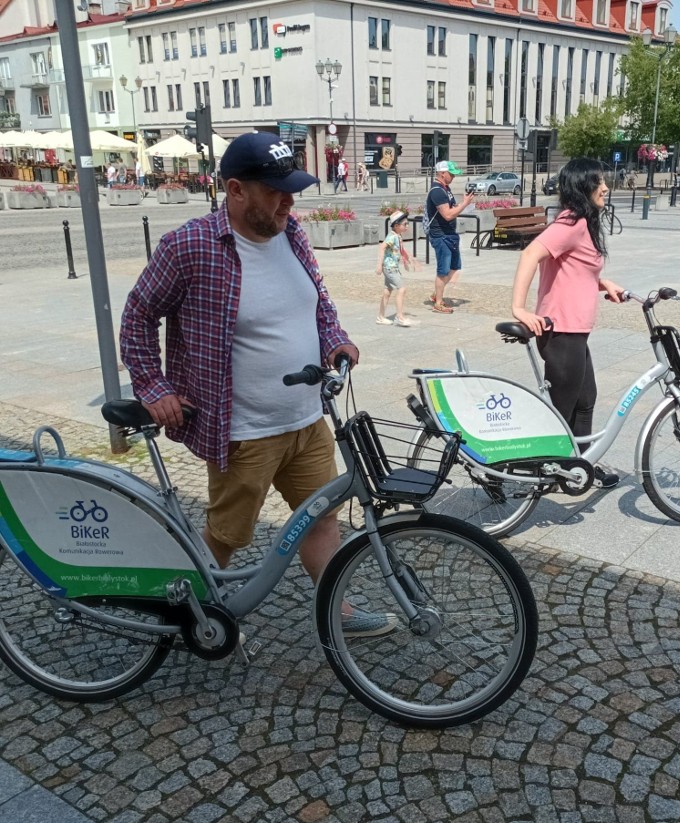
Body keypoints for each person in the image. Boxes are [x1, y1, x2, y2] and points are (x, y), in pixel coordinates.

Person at [120, 131, 392, 637]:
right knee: (227, 535)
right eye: (275, 190)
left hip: (307, 418)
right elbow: (138, 314)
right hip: (243, 429)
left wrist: (335, 338)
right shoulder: (190, 246)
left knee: (322, 518)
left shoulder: (292, 235)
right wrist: (152, 387)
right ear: (236, 190)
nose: (288, 200)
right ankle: (195, 613)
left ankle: (338, 609)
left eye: (291, 188)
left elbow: (318, 304)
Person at [510, 158, 625, 489]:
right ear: (581, 187)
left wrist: (603, 283)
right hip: (560, 332)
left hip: (575, 333)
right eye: (598, 182)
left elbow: (576, 268)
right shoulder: (571, 223)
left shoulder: (582, 224)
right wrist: (519, 308)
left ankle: (580, 464)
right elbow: (530, 255)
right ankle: (540, 469)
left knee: (585, 399)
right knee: (560, 410)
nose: (605, 187)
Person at [425, 160, 475, 314]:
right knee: (443, 269)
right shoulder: (437, 191)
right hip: (440, 235)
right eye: (451, 173)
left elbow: (452, 208)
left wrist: (462, 205)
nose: (453, 176)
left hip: (450, 234)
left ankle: (437, 294)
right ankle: (438, 303)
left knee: (455, 267)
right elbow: (447, 215)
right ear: (442, 173)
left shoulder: (446, 189)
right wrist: (465, 204)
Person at [375, 210, 413, 327]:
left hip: (391, 267)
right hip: (390, 268)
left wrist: (406, 261)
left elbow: (400, 250)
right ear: (396, 225)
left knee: (387, 291)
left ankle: (381, 316)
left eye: (407, 223)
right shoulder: (392, 237)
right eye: (404, 224)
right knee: (402, 289)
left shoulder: (397, 236)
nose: (407, 226)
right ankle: (400, 317)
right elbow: (382, 247)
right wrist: (379, 265)